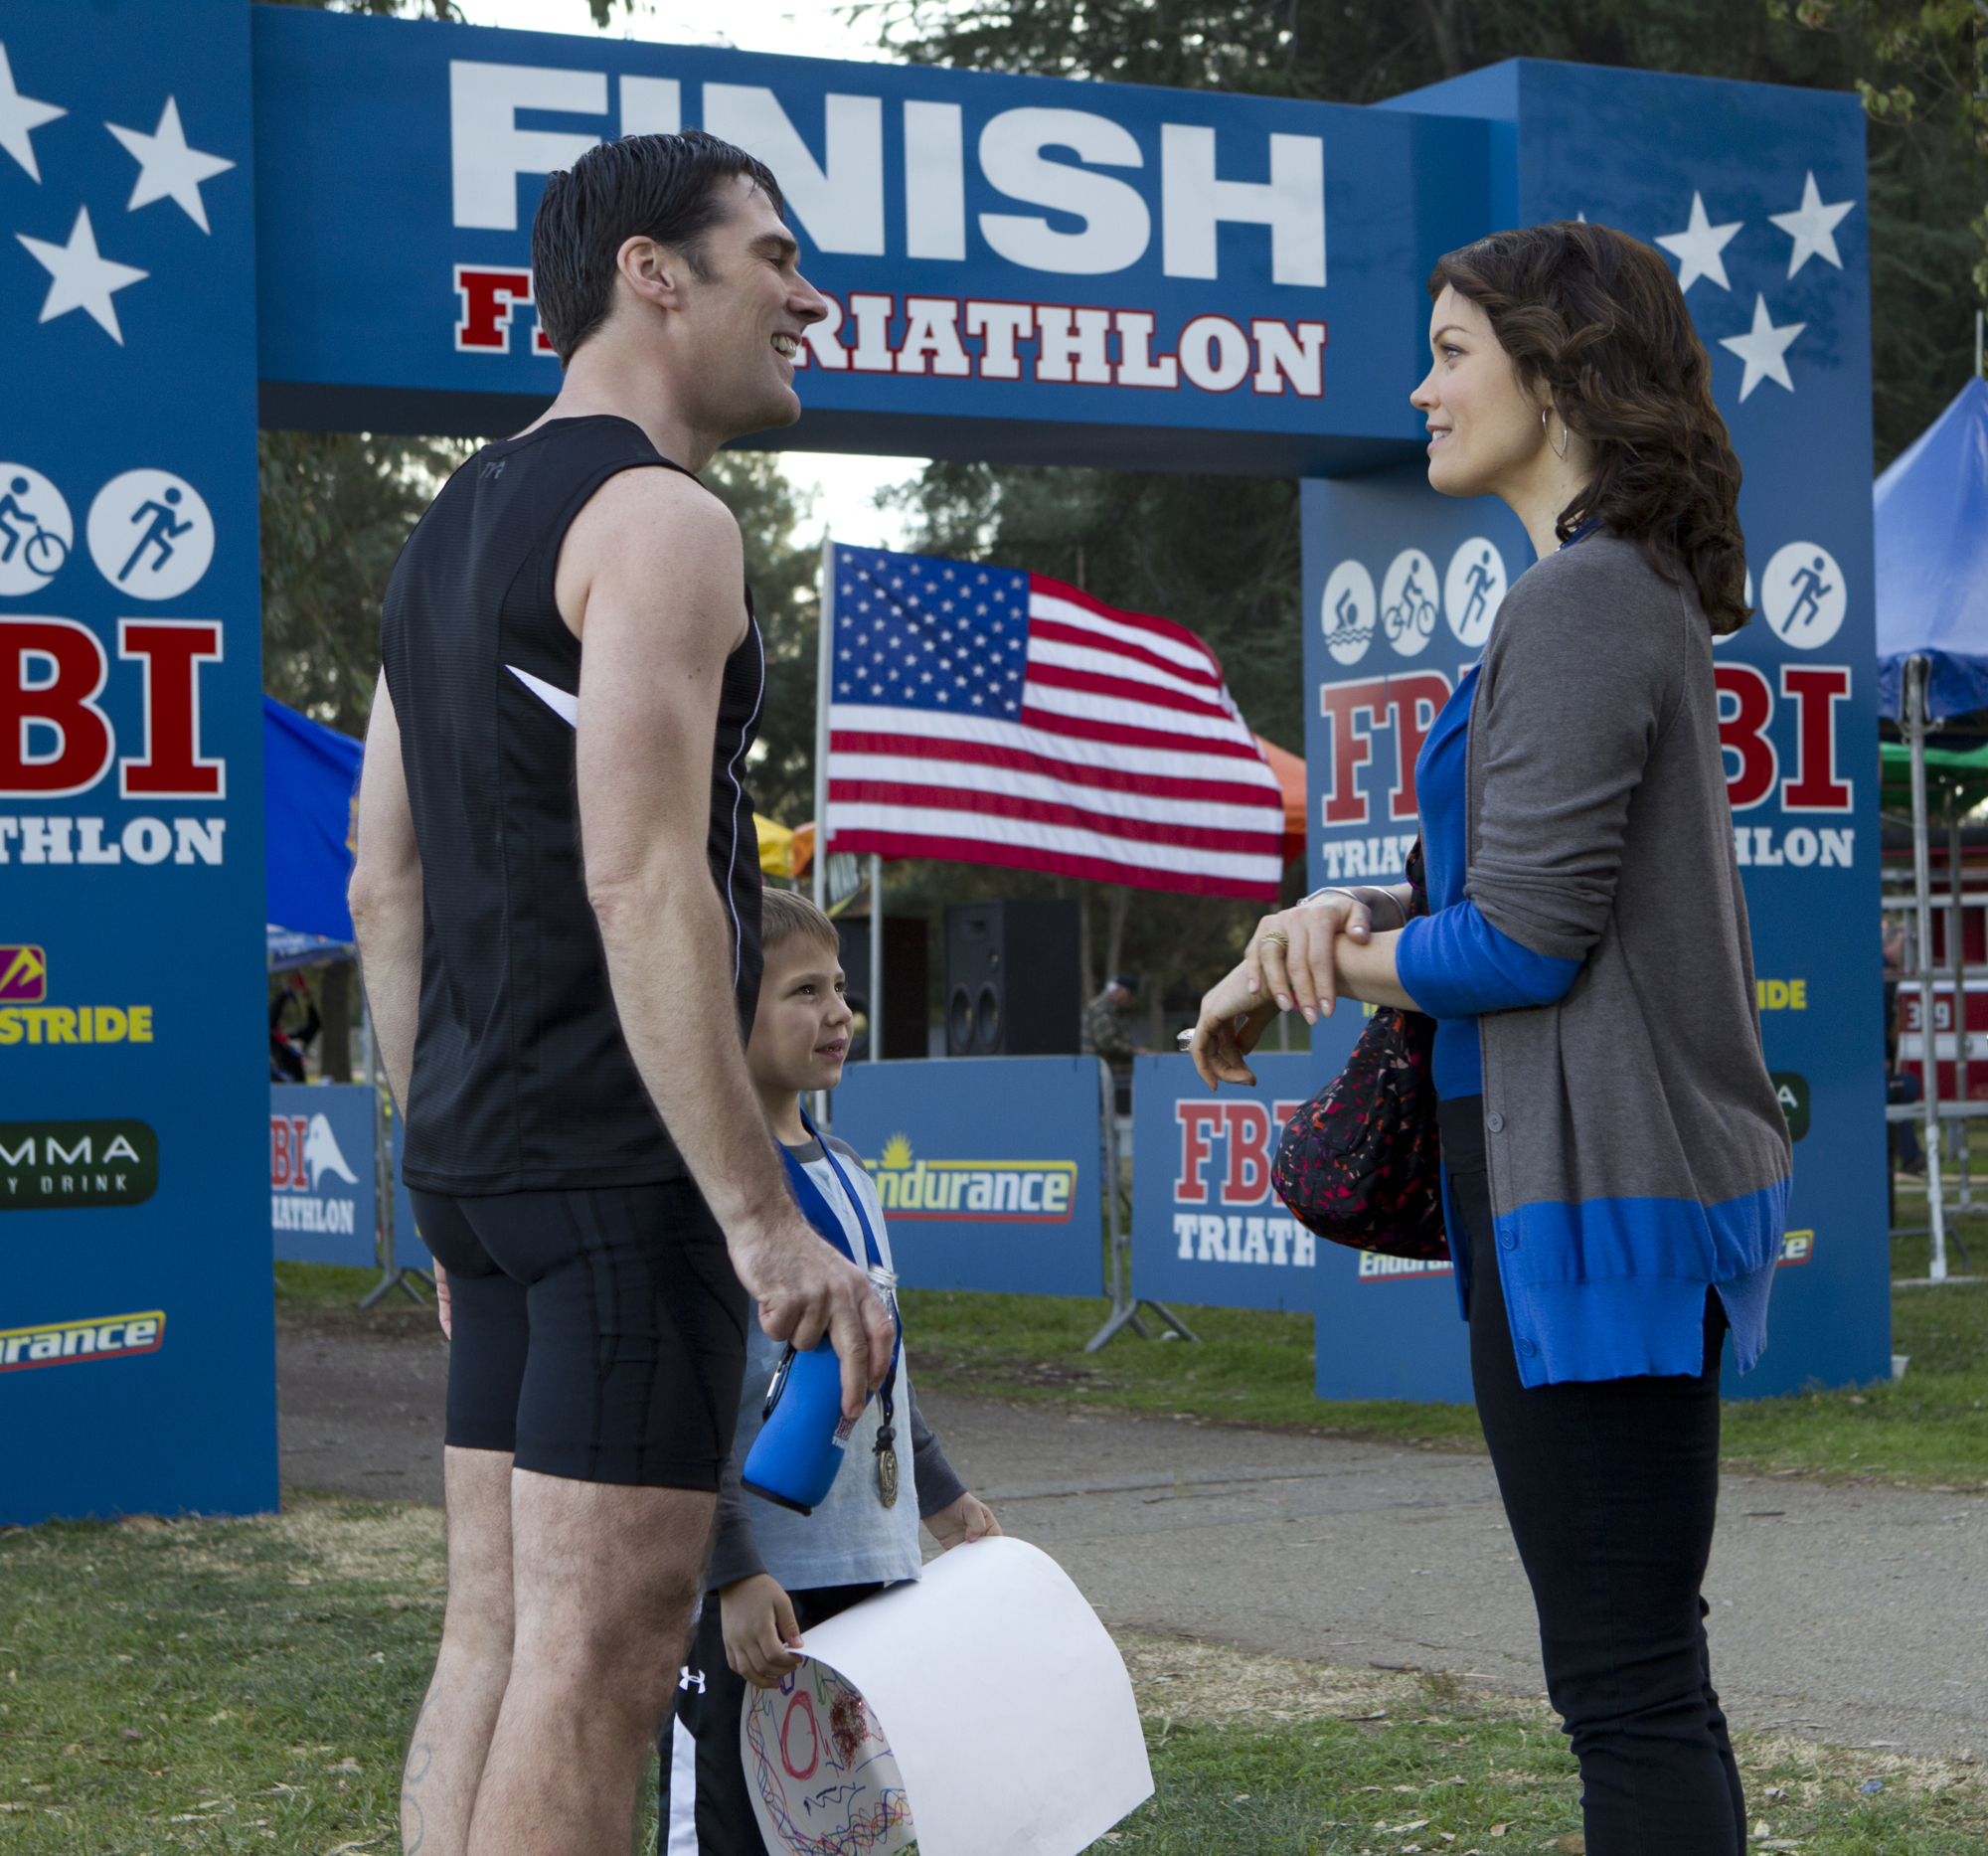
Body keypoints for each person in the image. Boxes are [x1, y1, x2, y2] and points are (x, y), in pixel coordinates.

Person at [1188, 222, 1789, 1856]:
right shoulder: (1602, 590)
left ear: (1561, 364)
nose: (1422, 387)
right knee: (1633, 1671)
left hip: (1595, 1207)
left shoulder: (1585, 598)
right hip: (1577, 1196)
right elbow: (1503, 882)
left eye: (1453, 350)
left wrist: (1337, 957)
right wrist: (1329, 930)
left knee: (1628, 1686)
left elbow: (1522, 942)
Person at [348, 130, 894, 1856]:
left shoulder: (453, 523)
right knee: (599, 1656)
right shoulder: (659, 517)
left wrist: (431, 1156)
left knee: (499, 1633)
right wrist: (759, 1211)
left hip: (491, 1164)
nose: (811, 298)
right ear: (652, 272)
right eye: (774, 259)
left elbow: (387, 876)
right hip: (610, 1171)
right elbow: (642, 870)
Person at [661, 887, 1000, 1854]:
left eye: (840, 986)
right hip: (765, 1588)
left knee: (853, 1822)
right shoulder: (717, 1190)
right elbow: (690, 1398)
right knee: (734, 1825)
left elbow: (880, 1369)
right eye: (803, 990)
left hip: (874, 1572)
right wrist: (732, 1572)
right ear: (724, 1010)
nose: (839, 1012)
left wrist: (940, 1498)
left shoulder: (851, 1170)